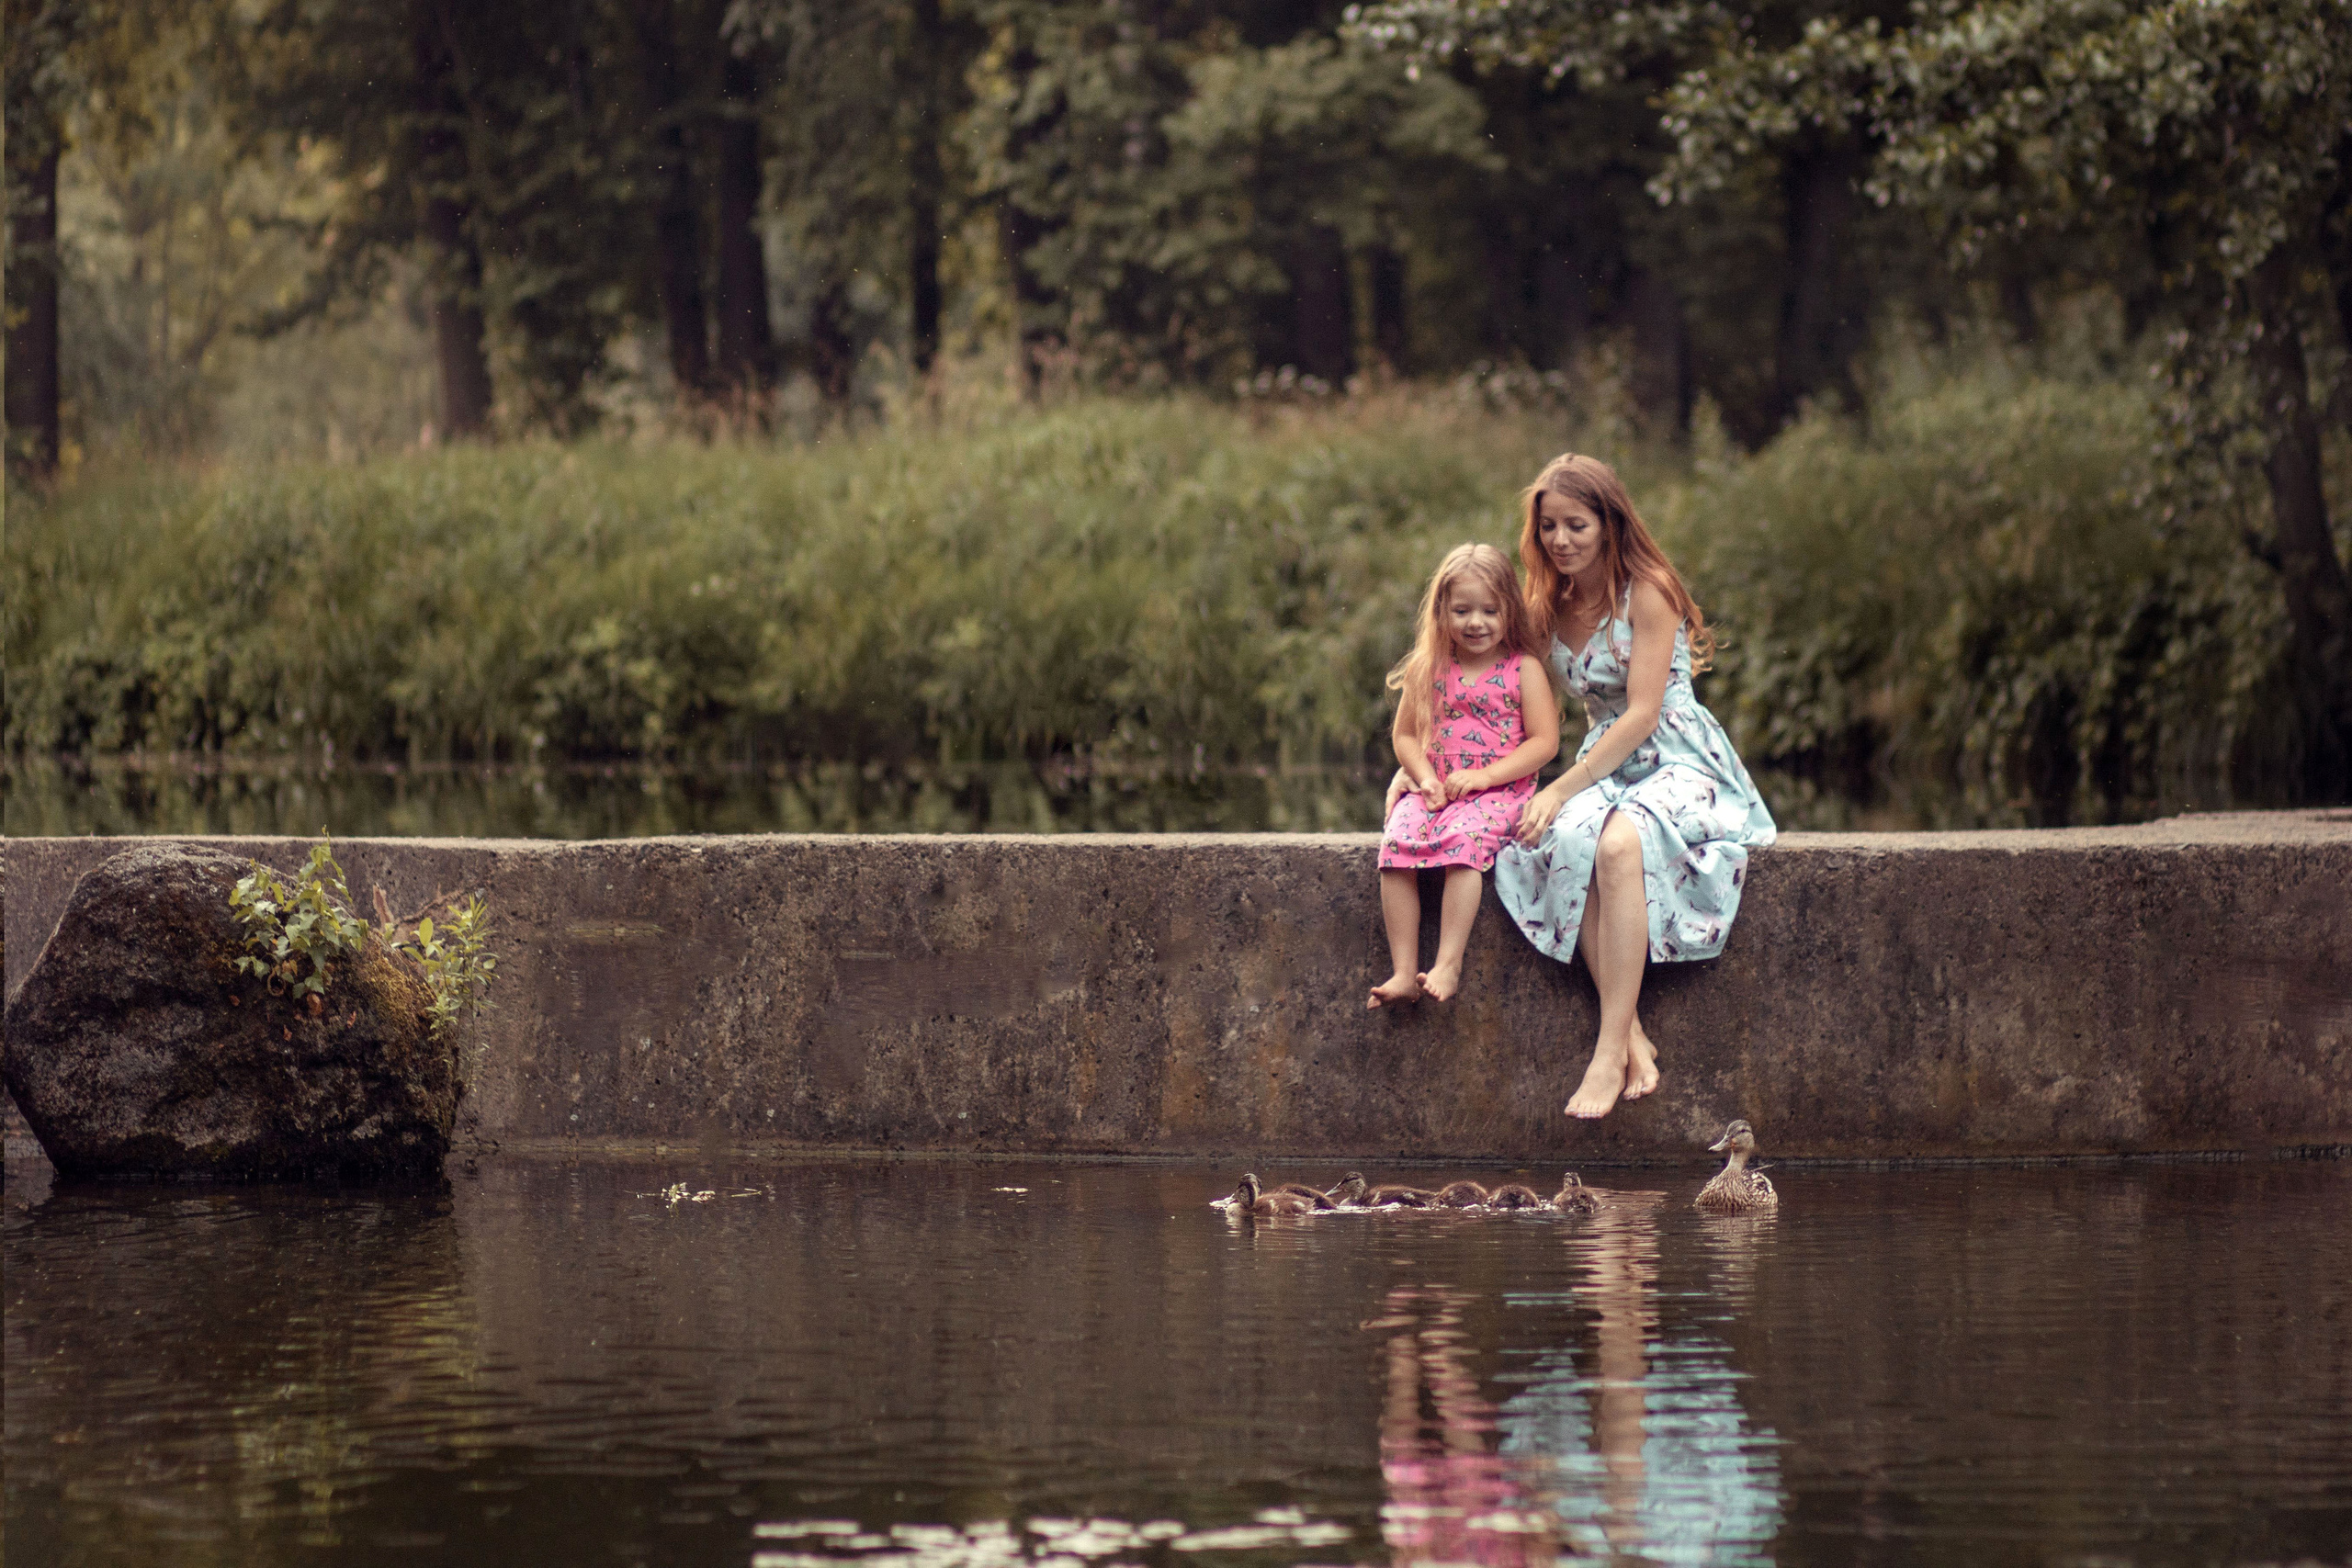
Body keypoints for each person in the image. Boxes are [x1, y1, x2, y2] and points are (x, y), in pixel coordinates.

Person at [1492, 454, 1776, 1117]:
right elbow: (1486, 686)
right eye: (1550, 527)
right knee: (1556, 840)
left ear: (1609, 523)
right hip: (1603, 755)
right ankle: (1633, 1037)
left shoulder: (1649, 589)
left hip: (1678, 756)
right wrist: (1423, 772)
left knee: (1619, 845)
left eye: (1577, 526)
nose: (1561, 541)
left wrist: (1561, 788)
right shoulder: (1546, 605)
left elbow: (1644, 714)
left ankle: (1605, 1051)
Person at [1371, 543, 1561, 1010]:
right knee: (1396, 845)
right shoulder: (1428, 668)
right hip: (1438, 788)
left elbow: (1543, 743)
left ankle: (1449, 963)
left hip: (1498, 791)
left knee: (1462, 844)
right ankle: (1401, 971)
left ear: (1509, 612)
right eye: (1462, 610)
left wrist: (1486, 776)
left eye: (1490, 610)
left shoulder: (1523, 670)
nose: (1476, 622)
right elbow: (1406, 737)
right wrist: (1424, 776)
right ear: (1442, 612)